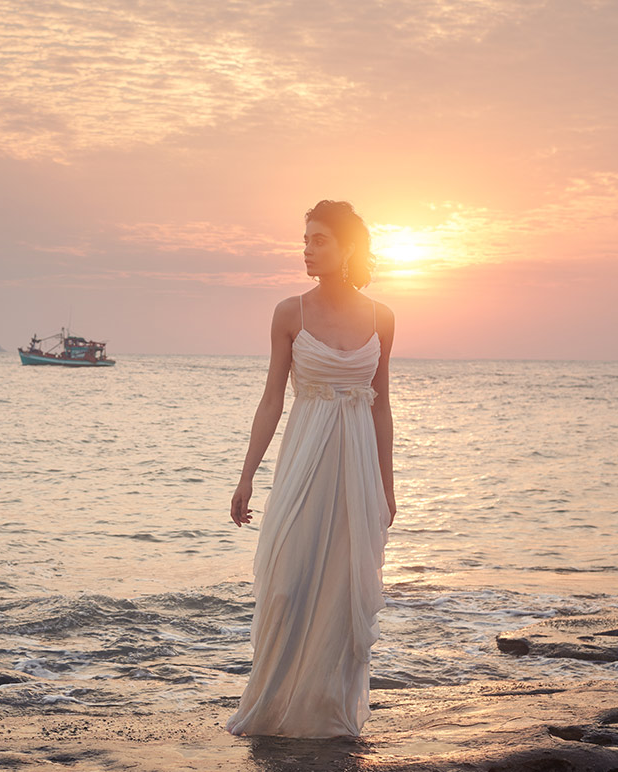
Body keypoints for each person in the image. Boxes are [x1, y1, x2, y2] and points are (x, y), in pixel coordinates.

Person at [226, 200, 395, 738]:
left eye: (319, 240)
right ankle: (273, 707)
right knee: (287, 582)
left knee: (345, 590)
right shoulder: (289, 313)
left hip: (358, 469)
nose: (307, 249)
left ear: (347, 248)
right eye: (305, 239)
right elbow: (272, 398)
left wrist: (388, 489)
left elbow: (381, 405)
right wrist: (247, 475)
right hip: (304, 462)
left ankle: (328, 713)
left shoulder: (381, 318)